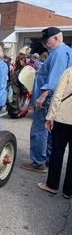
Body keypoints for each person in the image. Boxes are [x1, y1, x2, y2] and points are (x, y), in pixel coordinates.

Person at [21, 27, 72, 173]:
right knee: (49, 131)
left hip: (47, 99)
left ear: (56, 38)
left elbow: (55, 79)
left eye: (46, 41)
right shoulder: (66, 51)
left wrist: (43, 96)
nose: (44, 44)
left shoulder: (58, 53)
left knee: (39, 130)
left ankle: (38, 162)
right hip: (57, 99)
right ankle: (47, 159)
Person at [38, 68, 72, 198]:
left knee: (57, 152)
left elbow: (58, 95)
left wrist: (50, 116)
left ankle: (52, 185)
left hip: (63, 118)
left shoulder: (69, 72)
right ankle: (68, 190)